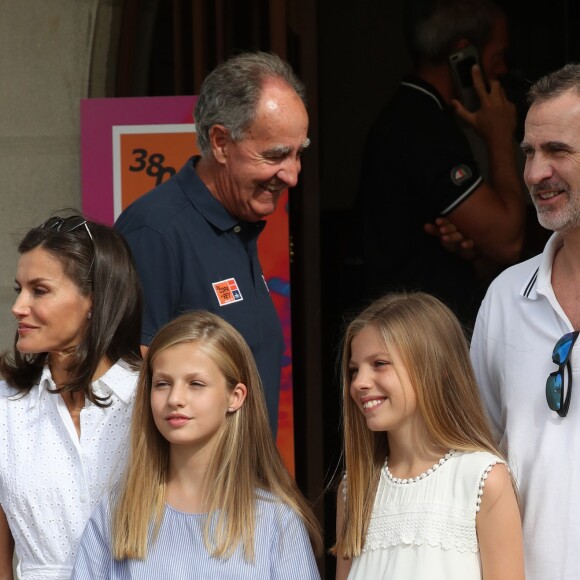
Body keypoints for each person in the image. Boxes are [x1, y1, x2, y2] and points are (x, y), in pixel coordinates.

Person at [115, 51, 309, 435]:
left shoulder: (241, 219)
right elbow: (129, 393)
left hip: (244, 489)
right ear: (221, 142)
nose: (292, 175)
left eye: (299, 153)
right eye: (276, 155)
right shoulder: (154, 232)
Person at [71, 310, 322, 579]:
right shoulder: (117, 514)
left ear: (235, 397)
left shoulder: (276, 521)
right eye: (163, 383)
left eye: (196, 384)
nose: (175, 398)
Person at [470, 63, 580, 579]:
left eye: (557, 151)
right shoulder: (505, 299)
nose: (536, 173)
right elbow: (474, 463)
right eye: (529, 154)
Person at [356, 0, 526, 330]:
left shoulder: (420, 114)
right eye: (498, 56)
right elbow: (508, 240)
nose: (502, 70)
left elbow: (486, 248)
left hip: (416, 329)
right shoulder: (421, 125)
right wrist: (500, 136)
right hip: (415, 338)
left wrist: (472, 249)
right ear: (465, 55)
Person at [334, 292, 524, 580]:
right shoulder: (354, 489)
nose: (359, 382)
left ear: (433, 367)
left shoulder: (482, 479)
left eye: (380, 364)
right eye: (353, 370)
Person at [0, 213, 143, 579]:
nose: (18, 307)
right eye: (20, 290)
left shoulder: (152, 398)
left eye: (40, 290)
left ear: (94, 298)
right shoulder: (5, 408)